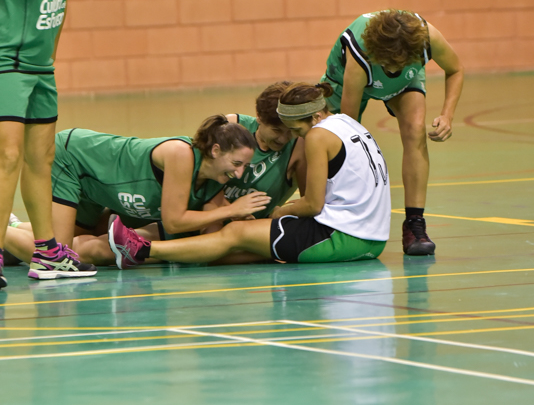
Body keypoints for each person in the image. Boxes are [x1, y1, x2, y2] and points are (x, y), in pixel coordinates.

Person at [108, 82, 391, 268]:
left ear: (314, 117)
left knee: (235, 234)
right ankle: (157, 246)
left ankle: (143, 250)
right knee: (232, 243)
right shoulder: (347, 122)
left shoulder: (317, 135)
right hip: (372, 237)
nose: (294, 138)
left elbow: (313, 204)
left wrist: (279, 212)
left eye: (296, 130)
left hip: (342, 236)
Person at [0, 0, 96, 287]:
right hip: (7, 65)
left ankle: (48, 253)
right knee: (8, 158)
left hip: (40, 67)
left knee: (42, 159)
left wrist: (51, 55)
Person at [2, 115, 270, 268]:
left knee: (74, 235)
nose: (239, 174)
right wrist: (231, 210)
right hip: (74, 160)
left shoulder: (214, 180)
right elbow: (174, 221)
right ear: (215, 150)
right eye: (237, 164)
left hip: (97, 188)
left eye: (244, 166)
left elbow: (211, 238)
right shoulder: (181, 154)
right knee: (58, 256)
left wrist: (238, 222)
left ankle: (12, 229)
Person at [321, 9, 464, 256]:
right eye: (391, 63)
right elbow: (348, 127)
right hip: (344, 81)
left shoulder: (428, 38)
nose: (394, 67)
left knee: (415, 131)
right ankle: (324, 211)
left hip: (404, 82)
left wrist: (447, 115)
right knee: (333, 142)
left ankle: (415, 224)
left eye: (400, 62)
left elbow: (456, 69)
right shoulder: (360, 53)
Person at [224, 81, 307, 218]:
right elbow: (203, 183)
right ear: (259, 116)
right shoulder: (232, 126)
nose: (283, 139)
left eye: (290, 131)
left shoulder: (299, 145)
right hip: (212, 218)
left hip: (257, 226)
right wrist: (232, 211)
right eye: (276, 130)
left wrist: (282, 212)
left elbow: (307, 201)